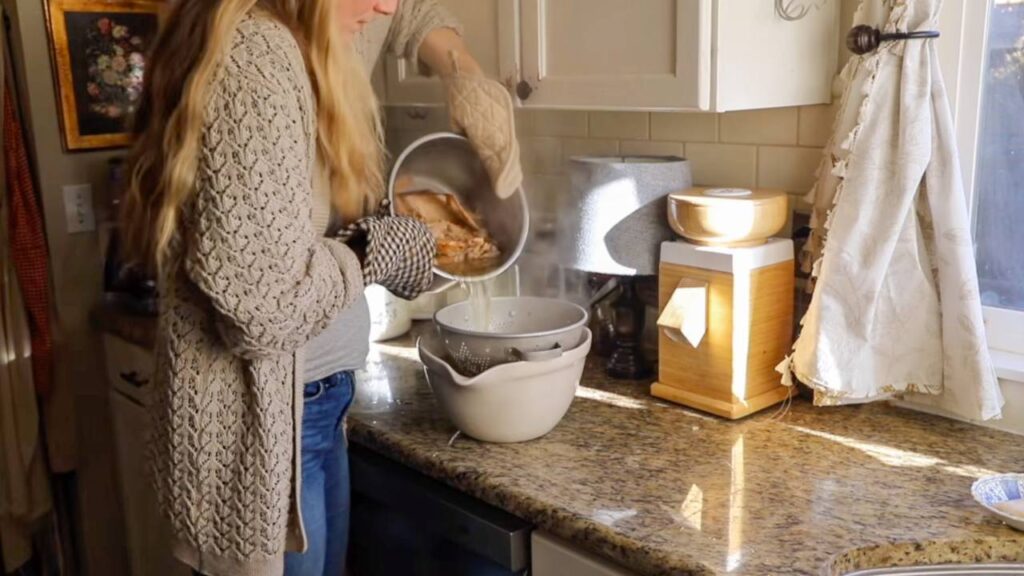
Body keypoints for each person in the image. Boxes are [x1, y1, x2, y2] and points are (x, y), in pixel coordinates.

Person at [116, 0, 502, 573]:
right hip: (271, 425)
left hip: (313, 403)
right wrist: (371, 252)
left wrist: (463, 67)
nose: (385, 5)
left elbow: (410, 13)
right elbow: (265, 307)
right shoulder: (259, 56)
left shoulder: (291, 33)